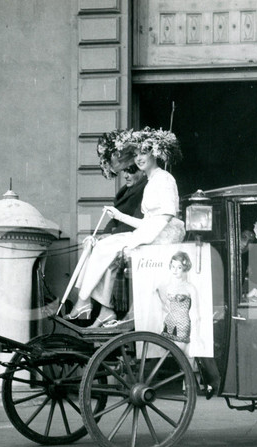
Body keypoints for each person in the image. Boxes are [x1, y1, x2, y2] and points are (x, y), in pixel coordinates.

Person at [66, 127, 185, 327]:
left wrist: (134, 239)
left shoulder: (164, 179)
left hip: (161, 238)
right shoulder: (152, 180)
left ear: (154, 153)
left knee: (107, 246)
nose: (139, 158)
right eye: (136, 154)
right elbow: (148, 223)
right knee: (104, 246)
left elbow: (163, 220)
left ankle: (85, 301)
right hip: (151, 233)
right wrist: (120, 216)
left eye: (144, 153)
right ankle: (90, 303)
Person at [156, 251, 200, 355]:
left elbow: (195, 312)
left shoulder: (190, 288)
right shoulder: (168, 286)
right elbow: (165, 307)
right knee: (166, 356)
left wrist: (195, 333)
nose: (175, 270)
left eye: (179, 267)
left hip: (182, 324)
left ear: (184, 268)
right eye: (173, 266)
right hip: (169, 322)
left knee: (181, 355)